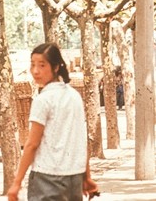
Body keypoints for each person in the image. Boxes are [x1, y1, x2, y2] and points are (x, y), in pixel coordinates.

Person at [7, 43, 98, 201]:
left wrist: (16, 183)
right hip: (73, 179)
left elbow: (31, 144)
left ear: (56, 67)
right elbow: (80, 142)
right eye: (33, 64)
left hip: (47, 180)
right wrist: (86, 177)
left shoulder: (43, 100)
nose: (35, 71)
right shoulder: (74, 97)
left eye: (42, 65)